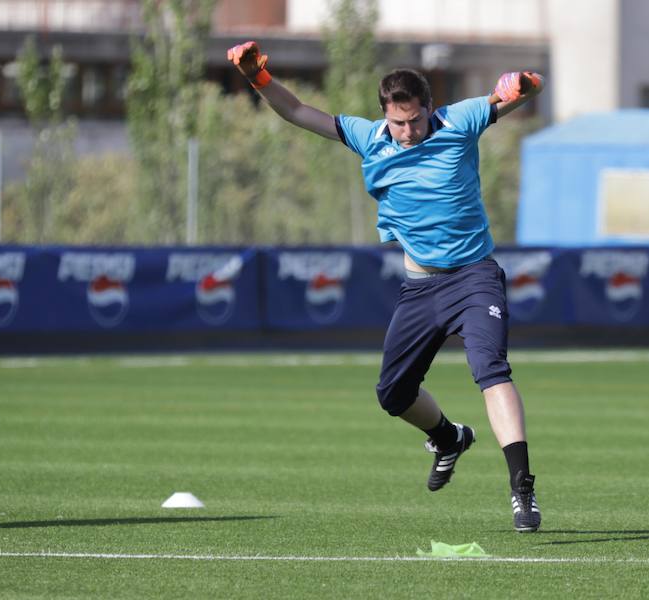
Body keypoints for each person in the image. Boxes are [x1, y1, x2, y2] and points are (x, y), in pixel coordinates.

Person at [228, 41, 544, 532]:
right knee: (393, 394)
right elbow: (294, 111)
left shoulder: (458, 121)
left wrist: (519, 84)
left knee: (491, 370)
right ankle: (448, 438)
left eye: (414, 120)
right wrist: (257, 77)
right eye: (398, 123)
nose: (407, 132)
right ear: (384, 116)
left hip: (474, 277)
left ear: (428, 109)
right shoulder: (368, 136)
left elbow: (522, 90)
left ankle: (522, 490)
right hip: (420, 288)